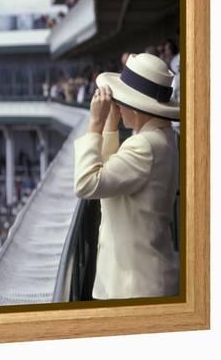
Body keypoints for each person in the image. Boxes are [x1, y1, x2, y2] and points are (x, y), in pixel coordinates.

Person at [73, 52, 180, 300]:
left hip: (135, 287)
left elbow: (86, 183)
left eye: (121, 101)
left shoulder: (144, 145)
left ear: (137, 106)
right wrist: (111, 124)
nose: (118, 105)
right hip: (144, 280)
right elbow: (112, 175)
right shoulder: (160, 138)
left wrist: (95, 125)